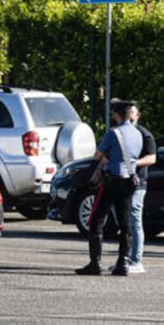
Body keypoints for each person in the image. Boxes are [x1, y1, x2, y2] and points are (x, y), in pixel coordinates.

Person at [76, 100, 143, 276]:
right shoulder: (138, 134)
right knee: (125, 222)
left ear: (118, 115)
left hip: (112, 181)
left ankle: (95, 263)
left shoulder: (114, 134)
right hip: (130, 181)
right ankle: (123, 263)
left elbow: (97, 155)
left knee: (96, 220)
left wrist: (107, 159)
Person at [126, 103, 156, 273]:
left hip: (138, 183)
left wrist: (133, 163)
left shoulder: (145, 135)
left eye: (133, 114)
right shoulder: (121, 133)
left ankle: (137, 261)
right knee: (124, 221)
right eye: (127, 114)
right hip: (122, 182)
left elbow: (151, 158)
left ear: (139, 115)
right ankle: (125, 258)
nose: (130, 117)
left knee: (135, 219)